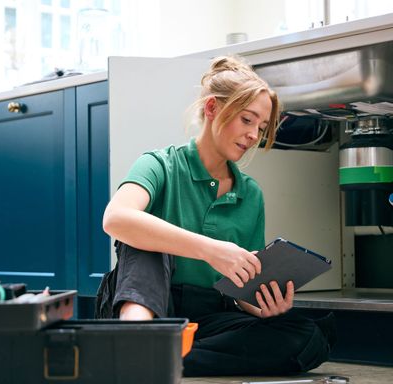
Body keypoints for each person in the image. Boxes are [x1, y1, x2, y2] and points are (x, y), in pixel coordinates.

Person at [95, 55, 336, 376]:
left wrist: (263, 304)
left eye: (261, 127)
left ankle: (149, 358)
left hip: (208, 317)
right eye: (247, 120)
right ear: (212, 109)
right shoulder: (159, 164)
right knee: (146, 239)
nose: (254, 135)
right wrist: (211, 249)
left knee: (307, 339)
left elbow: (243, 292)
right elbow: (115, 219)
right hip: (143, 304)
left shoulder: (250, 194)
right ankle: (139, 339)